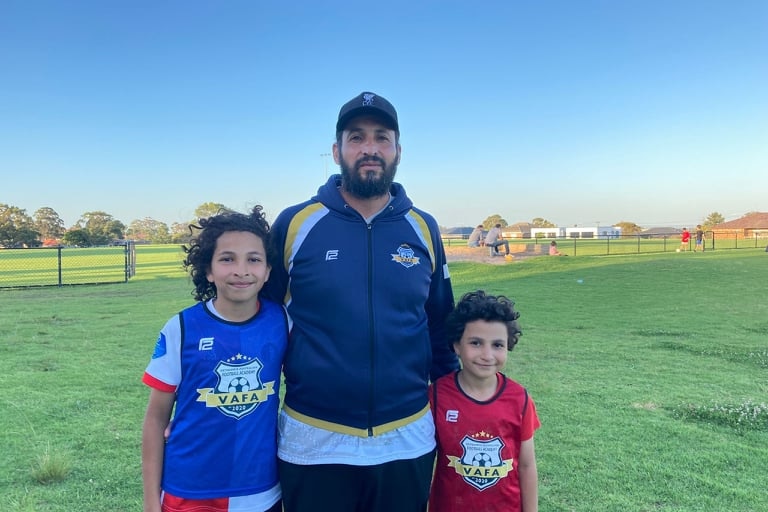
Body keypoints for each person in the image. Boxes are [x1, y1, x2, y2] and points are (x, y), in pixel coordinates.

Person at [264, 91, 459, 512]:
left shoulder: (422, 227)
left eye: (381, 137)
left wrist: (462, 404)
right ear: (337, 151)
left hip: (406, 435)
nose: (369, 148)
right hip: (313, 437)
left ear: (398, 151)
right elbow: (258, 321)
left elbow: (441, 325)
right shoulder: (295, 222)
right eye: (356, 137)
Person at [141, 206, 288, 512]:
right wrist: (150, 500)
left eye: (254, 259)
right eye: (227, 259)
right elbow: (156, 419)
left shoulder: (282, 322)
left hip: (262, 489)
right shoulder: (181, 328)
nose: (241, 270)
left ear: (268, 271)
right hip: (191, 491)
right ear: (207, 269)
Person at [429, 290, 540, 512]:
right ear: (456, 345)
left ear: (508, 346)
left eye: (497, 345)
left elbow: (527, 465)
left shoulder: (519, 399)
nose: (487, 355)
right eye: (476, 343)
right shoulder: (436, 396)